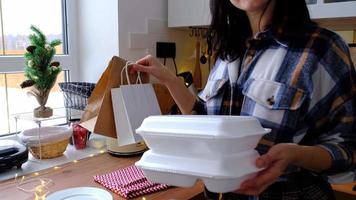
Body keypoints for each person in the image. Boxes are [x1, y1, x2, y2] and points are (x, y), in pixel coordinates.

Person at [132, 0, 356, 199]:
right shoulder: (227, 52)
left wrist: (294, 155)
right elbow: (205, 122)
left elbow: (348, 149)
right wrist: (169, 79)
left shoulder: (322, 48)